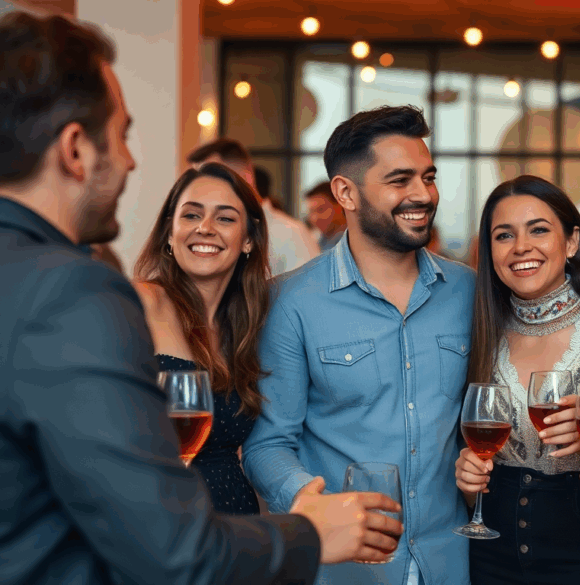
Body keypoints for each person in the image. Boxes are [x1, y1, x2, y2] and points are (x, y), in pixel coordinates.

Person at [0, 12, 401, 585]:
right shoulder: (74, 291)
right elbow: (169, 548)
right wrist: (313, 532)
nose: (133, 160)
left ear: (248, 241)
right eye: (122, 134)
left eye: (225, 217)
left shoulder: (261, 317)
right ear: (74, 149)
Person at [243, 105, 474, 585]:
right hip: (344, 572)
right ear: (345, 192)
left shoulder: (471, 293)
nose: (422, 195)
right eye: (400, 180)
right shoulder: (289, 302)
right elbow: (269, 443)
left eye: (428, 178)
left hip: (451, 562)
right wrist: (312, 500)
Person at [454, 175, 580, 584]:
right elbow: (474, 461)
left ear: (572, 242)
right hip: (490, 551)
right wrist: (468, 474)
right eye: (504, 235)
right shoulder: (479, 330)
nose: (521, 247)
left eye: (539, 229)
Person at [133, 162, 269, 515]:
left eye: (225, 219)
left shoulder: (250, 326)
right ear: (168, 231)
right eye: (191, 216)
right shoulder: (141, 303)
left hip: (238, 530)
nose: (205, 229)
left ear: (249, 240)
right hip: (162, 522)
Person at [187, 139, 319, 276]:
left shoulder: (291, 236)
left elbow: (311, 294)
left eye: (212, 180)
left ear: (246, 176)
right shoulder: (209, 236)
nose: (202, 191)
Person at [304, 179, 346, 251]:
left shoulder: (352, 243)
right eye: (311, 211)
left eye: (321, 210)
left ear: (340, 206)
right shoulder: (320, 240)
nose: (315, 218)